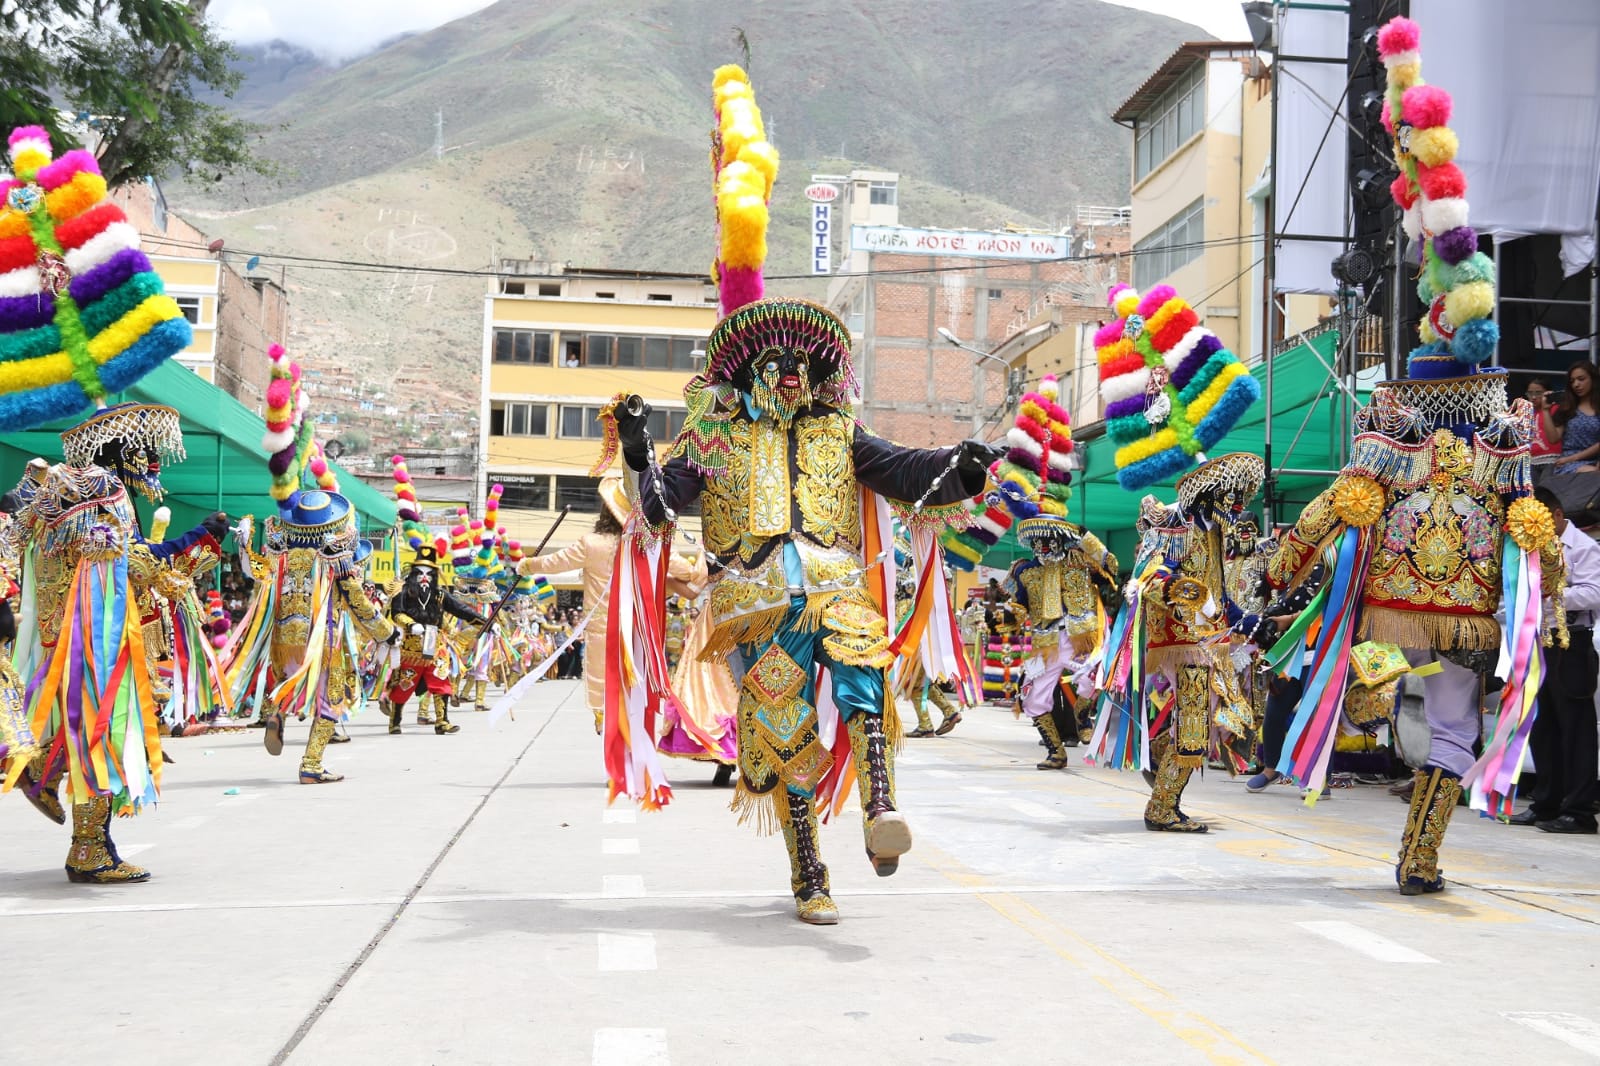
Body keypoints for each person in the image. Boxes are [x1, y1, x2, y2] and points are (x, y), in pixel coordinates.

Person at [609, 63, 998, 926]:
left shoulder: (834, 433)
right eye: (777, 364)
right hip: (754, 602)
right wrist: (639, 454)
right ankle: (808, 869)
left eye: (804, 365)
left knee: (866, 677)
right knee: (783, 737)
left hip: (834, 586)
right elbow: (660, 508)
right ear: (751, 371)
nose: (791, 375)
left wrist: (963, 466)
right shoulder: (713, 436)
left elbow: (904, 470)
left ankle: (879, 809)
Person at [1244, 14, 1564, 896]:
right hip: (1465, 612)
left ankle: (1407, 826)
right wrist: (1550, 598)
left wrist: (1288, 561)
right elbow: (1526, 522)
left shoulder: (1396, 427)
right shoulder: (1498, 431)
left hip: (1391, 603)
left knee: (1403, 702)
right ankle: (1420, 855)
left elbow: (1344, 498)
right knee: (1454, 729)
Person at [517, 477, 699, 733]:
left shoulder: (591, 543)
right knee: (636, 685)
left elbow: (554, 563)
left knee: (602, 685)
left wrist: (528, 565)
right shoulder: (648, 543)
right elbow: (686, 571)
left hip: (603, 626)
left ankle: (604, 720)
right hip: (639, 628)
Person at [1509, 488, 1600, 832]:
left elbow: (1593, 593)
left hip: (1570, 642)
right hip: (1537, 640)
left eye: (1542, 522)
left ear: (1558, 515)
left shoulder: (1584, 548)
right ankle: (1546, 802)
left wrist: (1546, 596)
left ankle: (1579, 810)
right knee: (1542, 725)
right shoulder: (1529, 549)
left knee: (1575, 728)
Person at [1540, 361, 1600, 474]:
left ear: (1593, 379)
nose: (1576, 384)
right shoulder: (1567, 408)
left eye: (1581, 379)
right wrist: (1545, 410)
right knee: (1594, 474)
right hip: (1568, 463)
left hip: (1593, 461)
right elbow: (1553, 439)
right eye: (1572, 381)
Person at [1526, 378, 1561, 458]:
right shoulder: (1526, 412)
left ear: (1547, 393)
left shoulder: (1555, 409)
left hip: (1551, 458)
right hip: (1530, 459)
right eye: (1530, 393)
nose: (1533, 397)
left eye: (1538, 393)